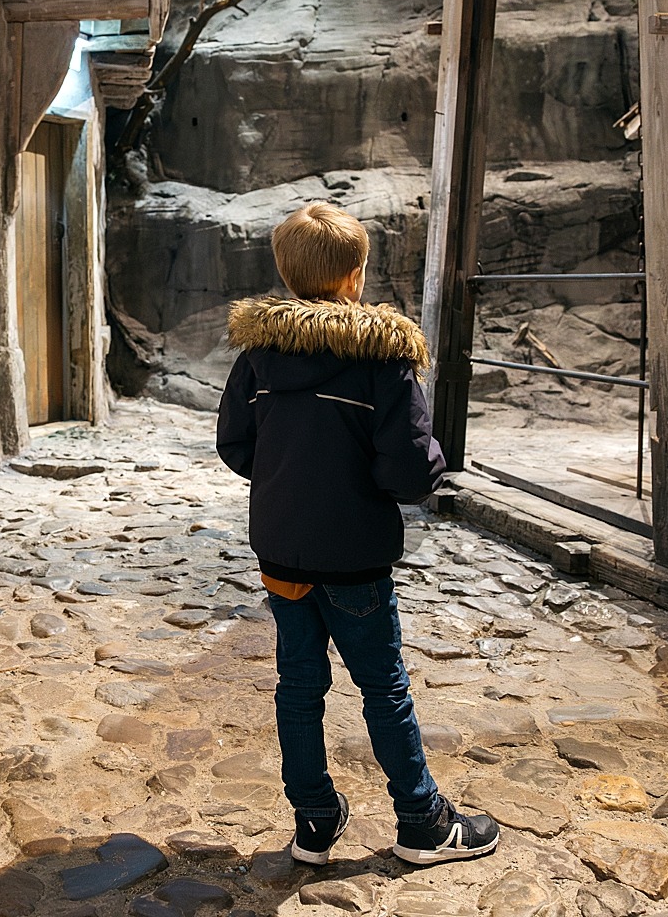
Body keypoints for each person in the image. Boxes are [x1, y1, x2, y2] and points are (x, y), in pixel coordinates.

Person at [215, 201, 499, 866]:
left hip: (282, 552)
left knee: (297, 687)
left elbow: (234, 443)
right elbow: (408, 472)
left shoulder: (259, 355)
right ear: (355, 276)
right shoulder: (382, 358)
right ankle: (421, 822)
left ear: (288, 276)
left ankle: (315, 820)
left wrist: (290, 476)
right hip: (354, 558)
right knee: (383, 687)